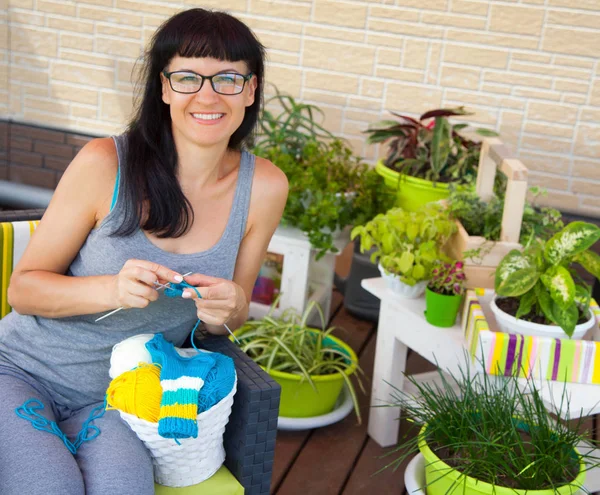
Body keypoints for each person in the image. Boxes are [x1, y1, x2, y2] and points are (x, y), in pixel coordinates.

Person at [0, 8, 288, 495]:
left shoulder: (263, 186)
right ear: (164, 87)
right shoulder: (104, 164)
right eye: (188, 76)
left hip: (124, 399)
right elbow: (22, 290)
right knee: (49, 485)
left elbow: (227, 320)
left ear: (252, 90)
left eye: (228, 78)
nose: (208, 94)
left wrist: (231, 305)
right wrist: (112, 288)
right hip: (23, 371)